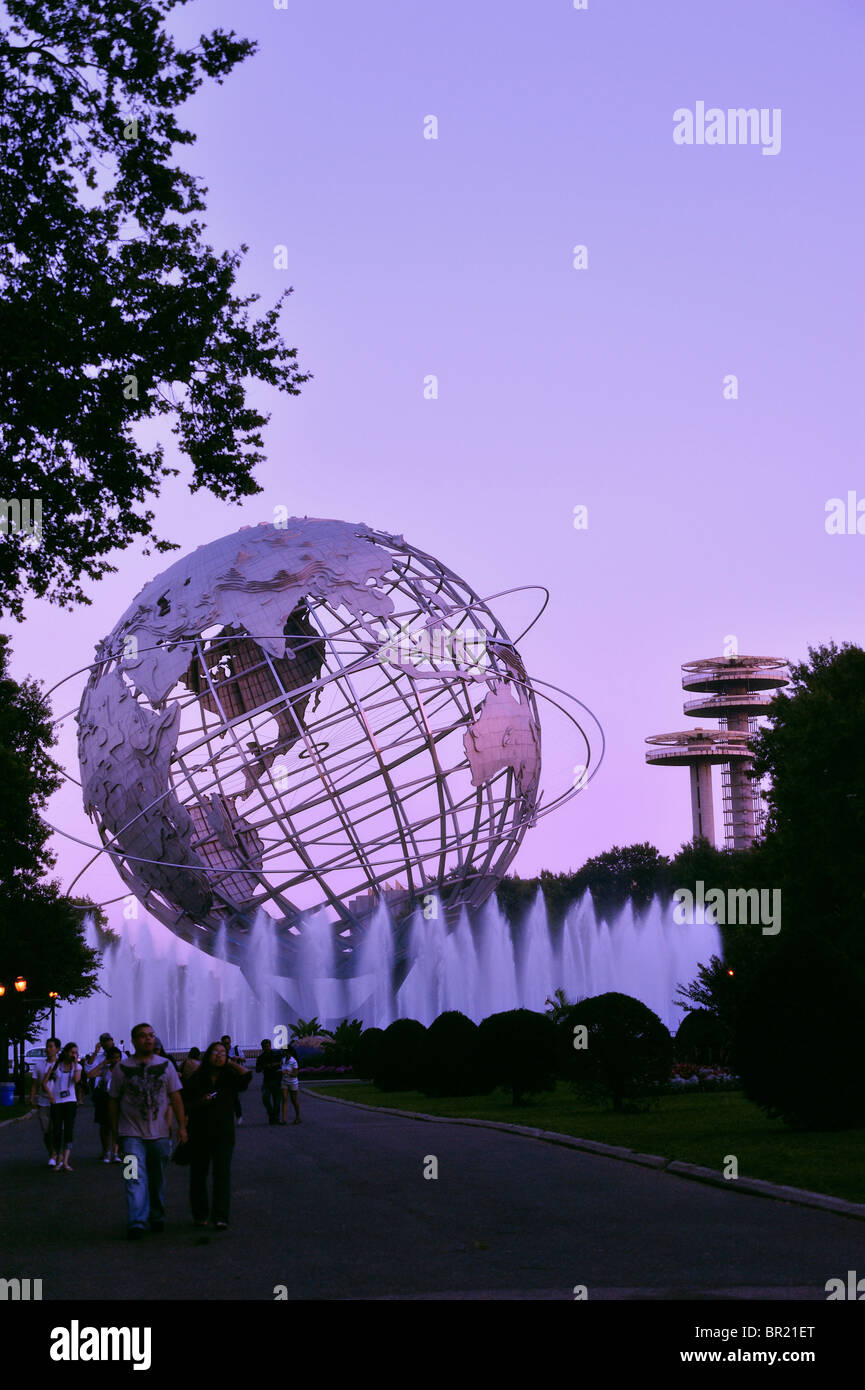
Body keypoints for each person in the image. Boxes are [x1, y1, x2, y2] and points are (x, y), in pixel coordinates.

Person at [108, 1022, 186, 1239]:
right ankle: (136, 1221)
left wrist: (182, 1127)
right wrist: (116, 1132)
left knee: (157, 1177)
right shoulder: (121, 1068)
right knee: (132, 1176)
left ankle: (157, 1215)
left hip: (160, 1133)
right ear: (133, 1041)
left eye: (151, 1035)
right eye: (143, 1036)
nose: (148, 1039)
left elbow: (176, 1097)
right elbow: (112, 1101)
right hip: (130, 1133)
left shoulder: (166, 1066)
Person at [184, 1041, 251, 1229]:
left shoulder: (229, 1077)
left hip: (223, 1133)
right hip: (199, 1132)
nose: (219, 1055)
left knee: (222, 1174)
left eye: (223, 1052)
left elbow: (247, 1077)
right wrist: (200, 1102)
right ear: (207, 1055)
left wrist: (230, 1063)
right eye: (215, 1052)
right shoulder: (198, 1077)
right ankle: (200, 1214)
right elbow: (185, 1101)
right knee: (198, 1175)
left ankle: (220, 1216)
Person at [44, 1042, 82, 1172]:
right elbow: (44, 1082)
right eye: (72, 1052)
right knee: (57, 1131)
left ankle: (65, 1160)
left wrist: (75, 1064)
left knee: (69, 1130)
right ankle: (58, 1158)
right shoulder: (56, 1066)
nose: (74, 1055)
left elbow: (76, 1080)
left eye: (76, 1053)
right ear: (66, 1052)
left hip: (70, 1101)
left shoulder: (77, 1067)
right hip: (57, 1102)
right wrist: (50, 1095)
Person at [29, 1037, 60, 1165]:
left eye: (51, 1046)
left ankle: (57, 1154)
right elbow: (35, 1084)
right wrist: (32, 1097)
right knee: (46, 1130)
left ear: (57, 1049)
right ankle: (52, 1153)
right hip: (43, 1101)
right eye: (47, 1046)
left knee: (55, 1129)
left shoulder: (61, 1065)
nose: (48, 1049)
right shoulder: (39, 1065)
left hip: (58, 1102)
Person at [91, 1046, 123, 1162]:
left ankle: (115, 1152)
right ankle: (106, 1151)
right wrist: (102, 1064)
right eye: (113, 1058)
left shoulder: (123, 1069)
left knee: (116, 1126)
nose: (116, 1060)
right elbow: (90, 1074)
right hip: (105, 1098)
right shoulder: (105, 1069)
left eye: (118, 1058)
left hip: (118, 1099)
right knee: (104, 1127)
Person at [255, 1038, 284, 1125]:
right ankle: (271, 1114)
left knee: (277, 1101)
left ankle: (276, 1118)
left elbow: (282, 1063)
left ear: (270, 1046)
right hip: (266, 1080)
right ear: (262, 1047)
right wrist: (264, 1066)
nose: (267, 1048)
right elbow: (257, 1070)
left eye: (268, 1046)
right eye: (265, 1047)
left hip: (276, 1080)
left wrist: (274, 1064)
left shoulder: (276, 1054)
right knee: (265, 1099)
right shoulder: (261, 1058)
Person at [221, 1035, 245, 1124]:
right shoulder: (221, 1051)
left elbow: (244, 1059)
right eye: (224, 1044)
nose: (226, 1045)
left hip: (234, 1076)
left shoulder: (236, 1050)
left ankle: (238, 1115)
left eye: (227, 1043)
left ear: (230, 1042)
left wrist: (237, 1058)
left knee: (234, 1096)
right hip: (223, 1076)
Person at [280, 1048, 301, 1125]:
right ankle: (284, 1119)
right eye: (284, 1051)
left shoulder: (293, 1061)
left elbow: (295, 1074)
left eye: (286, 1051)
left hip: (292, 1082)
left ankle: (298, 1117)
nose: (284, 1052)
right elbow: (281, 1068)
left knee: (294, 1100)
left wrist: (287, 1072)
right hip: (284, 1082)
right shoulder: (283, 1060)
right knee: (284, 1099)